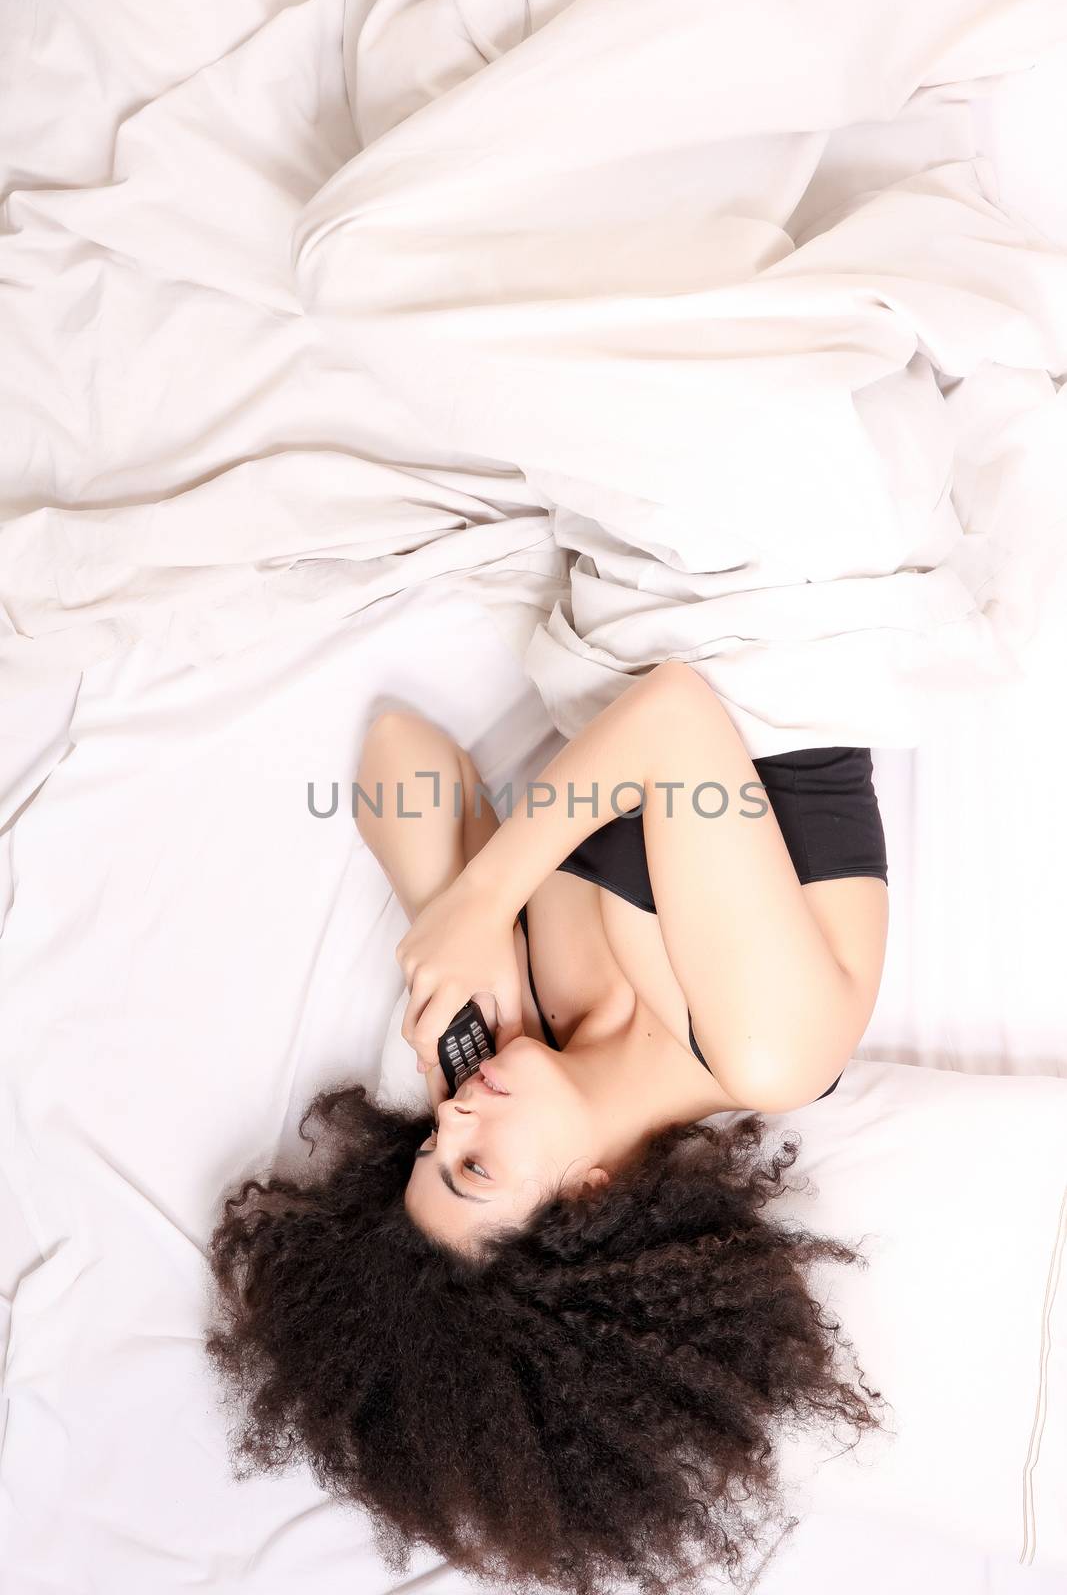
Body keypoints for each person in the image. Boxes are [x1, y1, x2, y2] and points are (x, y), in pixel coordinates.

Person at [206, 661, 890, 1595]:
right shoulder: (768, 1054)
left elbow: (395, 758)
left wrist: (455, 938)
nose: (448, 1118)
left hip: (619, 564)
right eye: (474, 1167)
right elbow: (675, 713)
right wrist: (483, 901)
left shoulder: (540, 1019)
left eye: (427, 1148)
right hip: (752, 568)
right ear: (587, 1204)